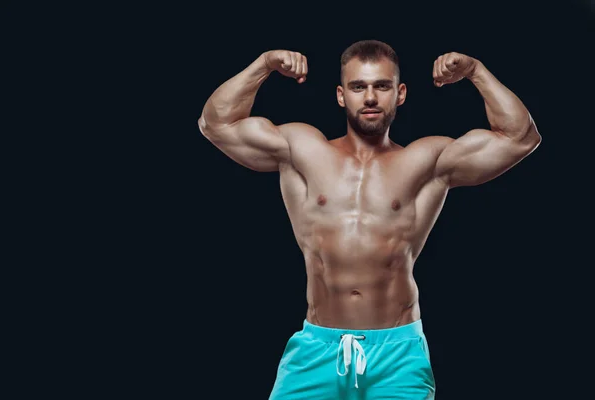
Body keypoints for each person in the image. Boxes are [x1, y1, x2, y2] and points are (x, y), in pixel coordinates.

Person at [198, 40, 541, 399]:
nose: (371, 97)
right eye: (358, 87)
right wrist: (264, 64)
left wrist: (476, 72)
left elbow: (519, 138)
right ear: (341, 95)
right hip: (317, 349)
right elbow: (216, 123)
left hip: (398, 354)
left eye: (382, 86)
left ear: (400, 93)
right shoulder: (302, 149)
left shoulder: (426, 161)